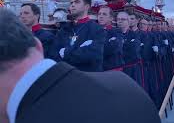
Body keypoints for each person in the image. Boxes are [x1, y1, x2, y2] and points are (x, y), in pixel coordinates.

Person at [0, 9, 161, 123]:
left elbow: (114, 50)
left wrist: (71, 51)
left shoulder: (112, 34)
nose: (122, 22)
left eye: (124, 19)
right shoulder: (125, 87)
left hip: (131, 68)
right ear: (37, 46)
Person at [49, 0, 104, 72]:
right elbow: (53, 54)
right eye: (71, 3)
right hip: (67, 75)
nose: (72, 5)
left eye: (77, 2)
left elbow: (92, 55)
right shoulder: (64, 29)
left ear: (87, 7)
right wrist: (79, 50)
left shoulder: (97, 29)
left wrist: (65, 52)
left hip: (88, 77)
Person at [117, 12, 143, 86]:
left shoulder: (134, 35)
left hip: (131, 70)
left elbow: (134, 52)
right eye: (118, 19)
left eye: (123, 19)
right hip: (116, 72)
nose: (120, 21)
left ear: (128, 22)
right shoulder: (112, 33)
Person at [97, 6, 124, 71]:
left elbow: (111, 49)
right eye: (99, 14)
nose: (101, 16)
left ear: (111, 18)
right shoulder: (94, 32)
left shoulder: (116, 32)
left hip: (112, 71)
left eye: (104, 14)